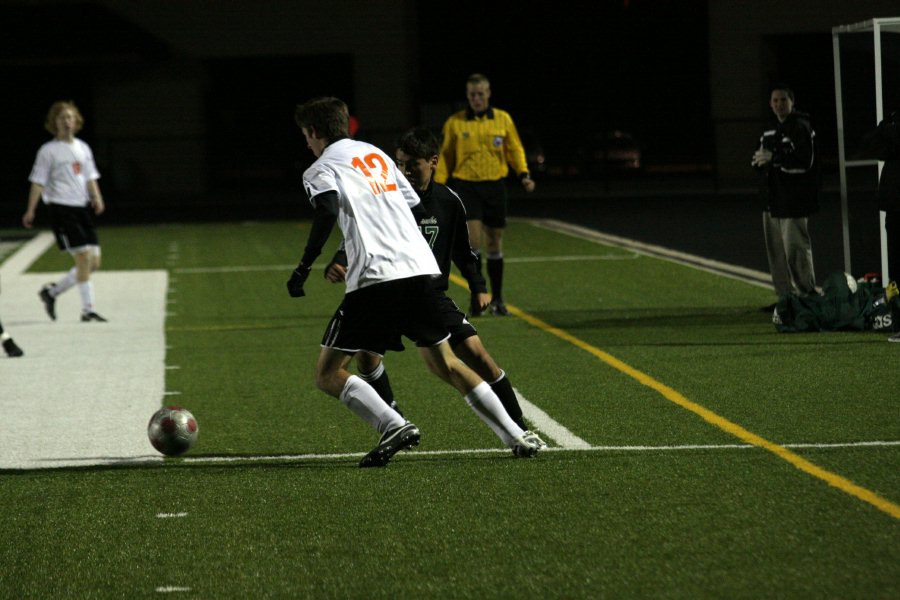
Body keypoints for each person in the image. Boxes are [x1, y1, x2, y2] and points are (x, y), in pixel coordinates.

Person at [287, 97, 541, 468]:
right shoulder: (377, 156)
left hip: (375, 278)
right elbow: (418, 209)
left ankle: (393, 423)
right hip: (420, 272)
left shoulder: (320, 168)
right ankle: (515, 435)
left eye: (305, 136)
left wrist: (303, 267)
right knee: (446, 363)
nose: (307, 144)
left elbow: (326, 209)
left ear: (313, 132)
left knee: (327, 374)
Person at [435, 73, 535, 317]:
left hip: (495, 187)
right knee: (473, 240)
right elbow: (445, 155)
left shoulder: (502, 119)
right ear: (467, 96)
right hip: (467, 186)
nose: (477, 99)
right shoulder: (455, 123)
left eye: (480, 94)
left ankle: (498, 299)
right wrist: (436, 185)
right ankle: (478, 297)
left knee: (494, 242)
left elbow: (514, 149)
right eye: (472, 95)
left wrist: (523, 173)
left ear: (488, 94)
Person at [23, 100, 107, 322]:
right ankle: (87, 310)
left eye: (70, 117)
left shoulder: (82, 147)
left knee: (94, 262)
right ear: (54, 123)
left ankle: (51, 293)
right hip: (62, 210)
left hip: (81, 208)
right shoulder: (48, 151)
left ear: (76, 121)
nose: (67, 122)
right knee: (83, 257)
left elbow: (90, 176)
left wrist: (96, 197)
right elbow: (38, 181)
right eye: (62, 118)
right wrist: (31, 209)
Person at [751, 84, 820, 312]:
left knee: (795, 249)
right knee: (776, 252)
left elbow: (805, 161)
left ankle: (806, 295)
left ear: (792, 102)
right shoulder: (769, 129)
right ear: (770, 104)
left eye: (783, 100)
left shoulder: (801, 127)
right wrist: (758, 163)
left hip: (793, 200)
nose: (779, 104)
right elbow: (761, 158)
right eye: (775, 100)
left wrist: (775, 159)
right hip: (773, 199)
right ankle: (785, 299)